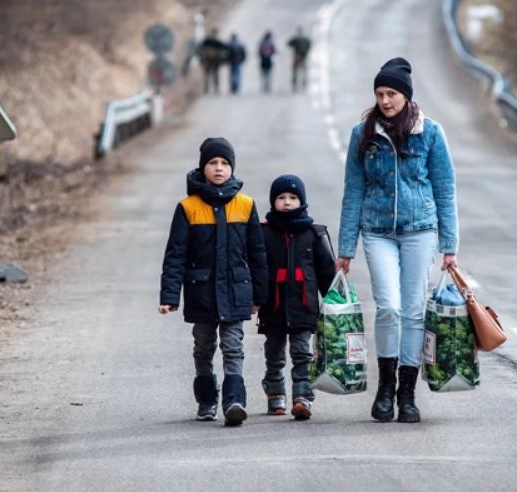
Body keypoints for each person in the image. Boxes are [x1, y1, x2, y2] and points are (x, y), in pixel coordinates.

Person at [336, 58, 459, 424]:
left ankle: (408, 394)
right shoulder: (363, 134)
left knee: (414, 310)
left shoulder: (431, 133)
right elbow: (353, 191)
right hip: (377, 232)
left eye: (391, 93)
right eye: (379, 93)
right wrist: (345, 249)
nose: (385, 100)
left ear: (405, 95)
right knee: (388, 307)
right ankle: (385, 389)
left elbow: (445, 189)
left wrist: (450, 246)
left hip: (421, 229)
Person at [159, 137, 268, 426]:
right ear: (202, 167)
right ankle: (207, 400)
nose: (219, 168)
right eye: (212, 163)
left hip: (235, 291)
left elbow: (257, 255)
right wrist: (170, 296)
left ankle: (234, 401)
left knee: (233, 346)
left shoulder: (245, 205)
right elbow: (176, 254)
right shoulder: (188, 207)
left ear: (232, 168)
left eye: (224, 163)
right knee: (203, 346)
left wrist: (259, 295)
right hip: (201, 293)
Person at [257, 174, 336, 420]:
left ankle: (302, 397)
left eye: (293, 197)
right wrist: (255, 299)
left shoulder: (313, 233)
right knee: (274, 354)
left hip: (304, 306)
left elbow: (326, 272)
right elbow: (257, 269)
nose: (287, 202)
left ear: (302, 201)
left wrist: (333, 300)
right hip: (273, 307)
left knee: (302, 353)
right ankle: (275, 394)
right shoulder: (264, 233)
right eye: (281, 197)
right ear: (273, 202)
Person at [199, 28, 227, 94]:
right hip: (215, 61)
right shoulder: (217, 41)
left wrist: (201, 60)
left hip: (207, 61)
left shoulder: (207, 40)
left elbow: (201, 48)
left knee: (207, 75)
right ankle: (216, 89)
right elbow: (224, 49)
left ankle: (206, 89)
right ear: (216, 33)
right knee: (215, 75)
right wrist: (223, 59)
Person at [286, 26, 312, 92]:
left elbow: (288, 44)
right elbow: (310, 44)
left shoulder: (296, 38)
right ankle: (304, 82)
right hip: (303, 56)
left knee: (295, 71)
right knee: (304, 70)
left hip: (297, 56)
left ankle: (294, 84)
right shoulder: (306, 39)